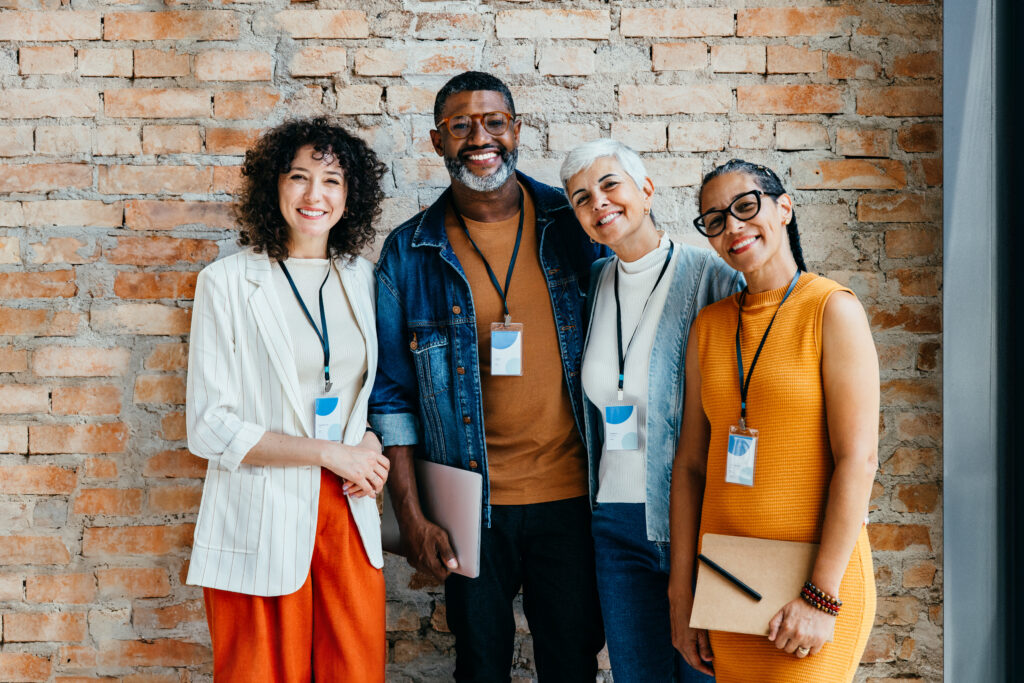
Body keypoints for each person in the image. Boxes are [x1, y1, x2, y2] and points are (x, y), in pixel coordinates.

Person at [369, 71, 606, 682]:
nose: (481, 137)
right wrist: (412, 515)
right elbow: (392, 399)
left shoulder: (575, 225)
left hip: (574, 501)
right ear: (437, 140)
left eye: (494, 122)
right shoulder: (407, 253)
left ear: (517, 130)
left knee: (572, 665)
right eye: (461, 125)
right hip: (468, 509)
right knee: (478, 668)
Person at [185, 117, 391, 682]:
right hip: (260, 512)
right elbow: (208, 426)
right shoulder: (227, 283)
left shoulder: (366, 280)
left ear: (350, 197)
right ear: (273, 187)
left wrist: (368, 443)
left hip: (347, 512)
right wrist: (329, 453)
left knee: (354, 670)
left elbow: (375, 395)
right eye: (298, 177)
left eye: (330, 181)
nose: (313, 195)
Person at [668, 159, 878, 682]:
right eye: (715, 220)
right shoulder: (709, 327)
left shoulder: (831, 309)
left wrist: (820, 597)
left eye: (745, 207)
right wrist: (683, 595)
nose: (733, 227)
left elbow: (859, 460)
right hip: (730, 583)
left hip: (814, 586)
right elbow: (691, 466)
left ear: (783, 208)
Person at [560, 139, 740, 683]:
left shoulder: (713, 279)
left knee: (708, 675)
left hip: (697, 518)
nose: (599, 204)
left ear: (647, 190)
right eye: (581, 198)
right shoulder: (591, 287)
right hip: (615, 524)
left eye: (610, 185)